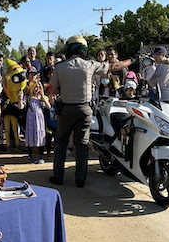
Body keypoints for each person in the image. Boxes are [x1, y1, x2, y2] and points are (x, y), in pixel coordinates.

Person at [48, 35, 130, 187]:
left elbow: (52, 90)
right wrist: (131, 60)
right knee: (82, 145)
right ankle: (80, 179)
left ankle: (58, 177)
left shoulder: (60, 67)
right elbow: (113, 67)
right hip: (85, 110)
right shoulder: (90, 64)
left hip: (66, 110)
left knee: (61, 143)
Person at [25, 68, 49, 164]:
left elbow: (48, 105)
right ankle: (30, 155)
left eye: (38, 87)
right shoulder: (29, 97)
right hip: (31, 117)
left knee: (40, 134)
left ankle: (41, 155)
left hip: (39, 118)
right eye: (35, 87)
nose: (37, 89)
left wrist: (42, 96)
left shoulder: (41, 98)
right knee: (31, 134)